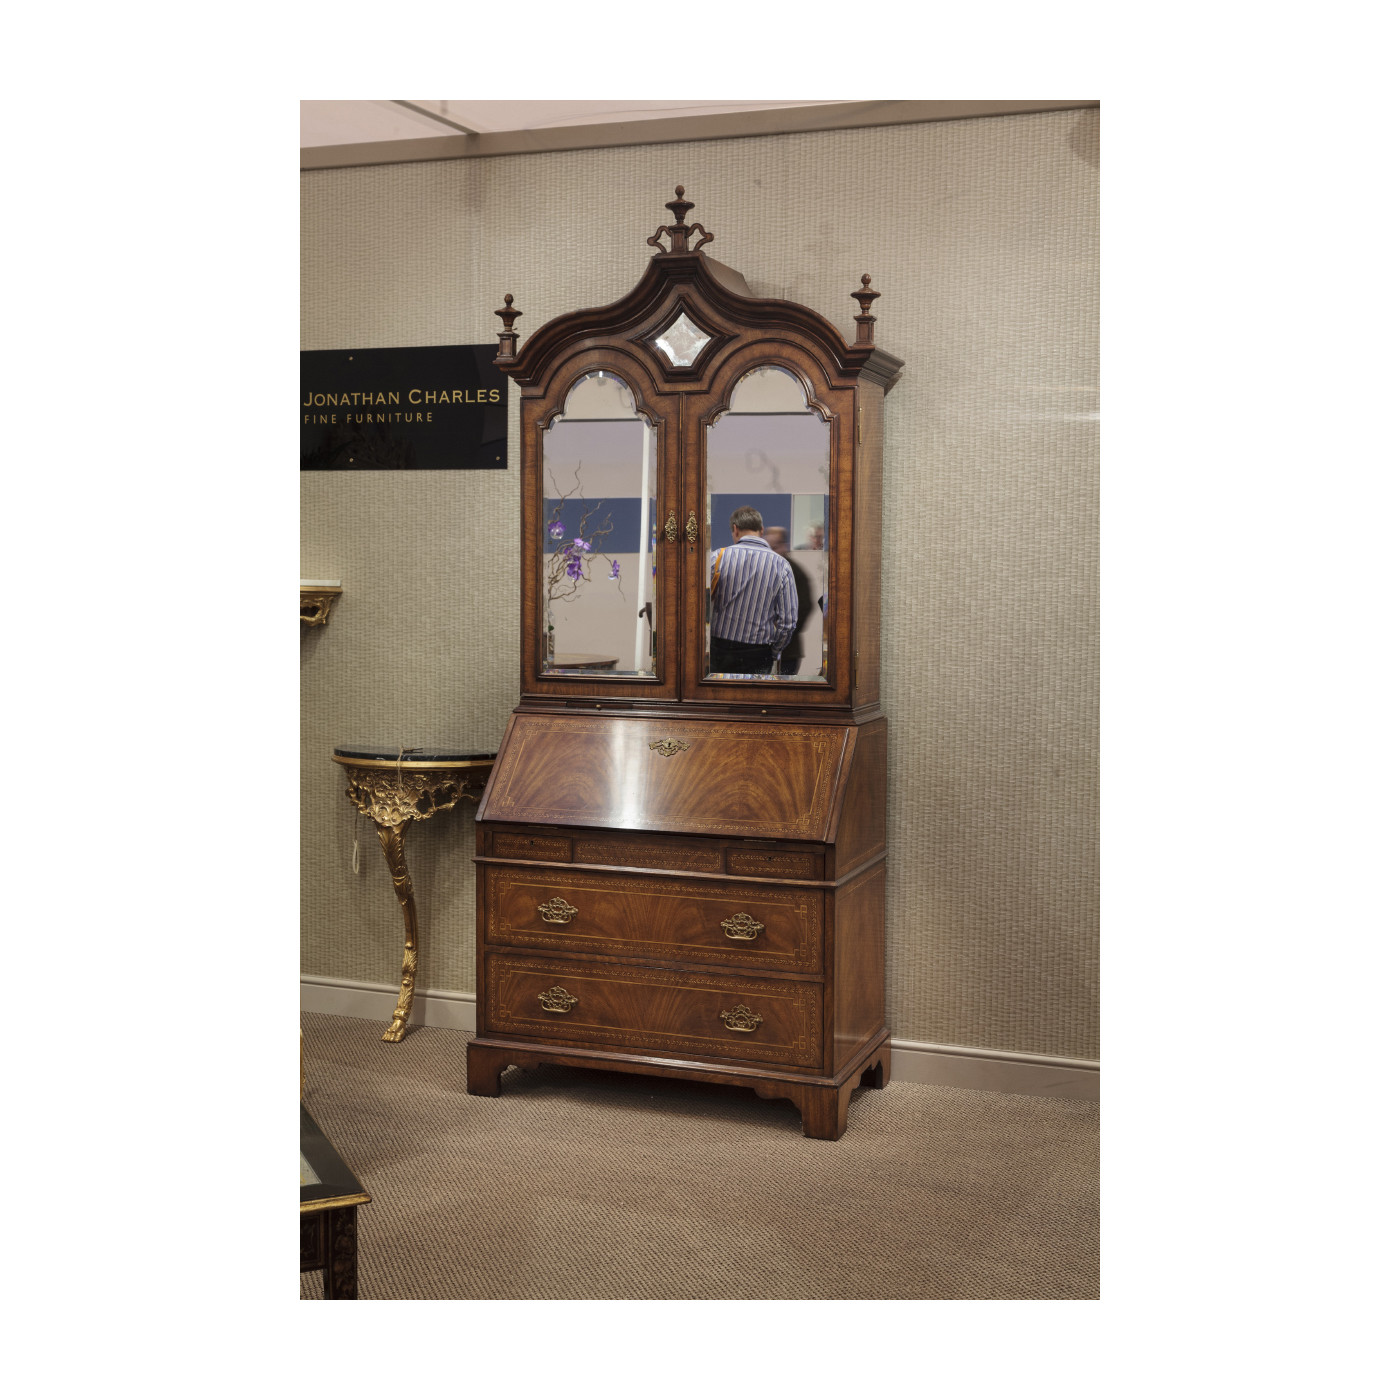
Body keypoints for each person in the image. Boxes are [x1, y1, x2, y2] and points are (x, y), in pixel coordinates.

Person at [708, 506, 798, 675]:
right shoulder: (782, 565)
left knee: (721, 699)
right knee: (753, 700)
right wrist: (774, 650)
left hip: (721, 649)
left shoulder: (718, 558)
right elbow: (788, 621)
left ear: (735, 529)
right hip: (759, 652)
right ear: (761, 530)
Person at [762, 526, 813, 675]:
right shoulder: (766, 569)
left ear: (784, 546)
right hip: (763, 648)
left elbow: (805, 606)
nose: (771, 551)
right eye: (768, 546)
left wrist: (785, 631)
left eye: (775, 546)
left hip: (788, 652)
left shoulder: (795, 571)